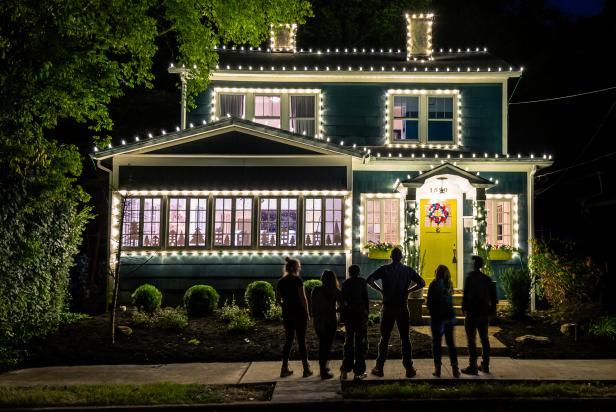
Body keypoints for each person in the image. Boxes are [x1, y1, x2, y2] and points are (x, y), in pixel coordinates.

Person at [367, 247, 426, 378]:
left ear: (391, 256)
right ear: (402, 257)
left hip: (388, 307)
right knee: (405, 338)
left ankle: (380, 367)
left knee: (384, 338)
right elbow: (422, 282)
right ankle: (409, 368)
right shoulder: (407, 271)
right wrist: (409, 291)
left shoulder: (384, 269)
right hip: (402, 307)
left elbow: (369, 280)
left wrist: (381, 290)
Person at [276, 257, 313, 378]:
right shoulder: (297, 280)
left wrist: (285, 306)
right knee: (301, 340)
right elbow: (303, 298)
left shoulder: (281, 281)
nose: (299, 268)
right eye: (298, 266)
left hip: (287, 313)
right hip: (299, 313)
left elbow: (278, 299)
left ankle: (284, 368)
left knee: (289, 340)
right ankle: (306, 369)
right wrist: (307, 312)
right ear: (294, 268)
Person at [461, 255, 497, 375]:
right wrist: (491, 311)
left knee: (471, 340)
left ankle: (473, 366)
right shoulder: (487, 279)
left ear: (474, 264)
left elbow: (466, 295)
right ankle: (485, 364)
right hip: (483, 313)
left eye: (472, 262)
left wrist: (464, 308)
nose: (471, 264)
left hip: (472, 313)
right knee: (484, 339)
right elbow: (494, 297)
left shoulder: (470, 278)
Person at [426, 264, 460, 378]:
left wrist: (431, 310)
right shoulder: (449, 284)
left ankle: (438, 370)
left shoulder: (434, 284)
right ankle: (455, 369)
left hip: (437, 318)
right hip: (449, 317)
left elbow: (429, 301)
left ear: (437, 273)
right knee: (451, 344)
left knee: (436, 343)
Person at [340, 264, 369, 380]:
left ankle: (345, 369)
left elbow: (343, 301)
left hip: (349, 315)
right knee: (360, 343)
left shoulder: (346, 283)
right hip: (360, 315)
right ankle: (359, 371)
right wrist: (367, 312)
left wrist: (342, 317)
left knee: (349, 341)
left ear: (349, 272)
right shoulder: (362, 282)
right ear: (358, 272)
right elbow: (365, 298)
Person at [310, 270, 341, 379]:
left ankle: (323, 367)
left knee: (322, 344)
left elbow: (312, 308)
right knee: (327, 346)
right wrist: (336, 310)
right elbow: (343, 303)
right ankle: (324, 370)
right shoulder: (335, 291)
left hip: (318, 321)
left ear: (322, 279)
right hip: (330, 321)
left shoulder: (315, 290)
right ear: (333, 279)